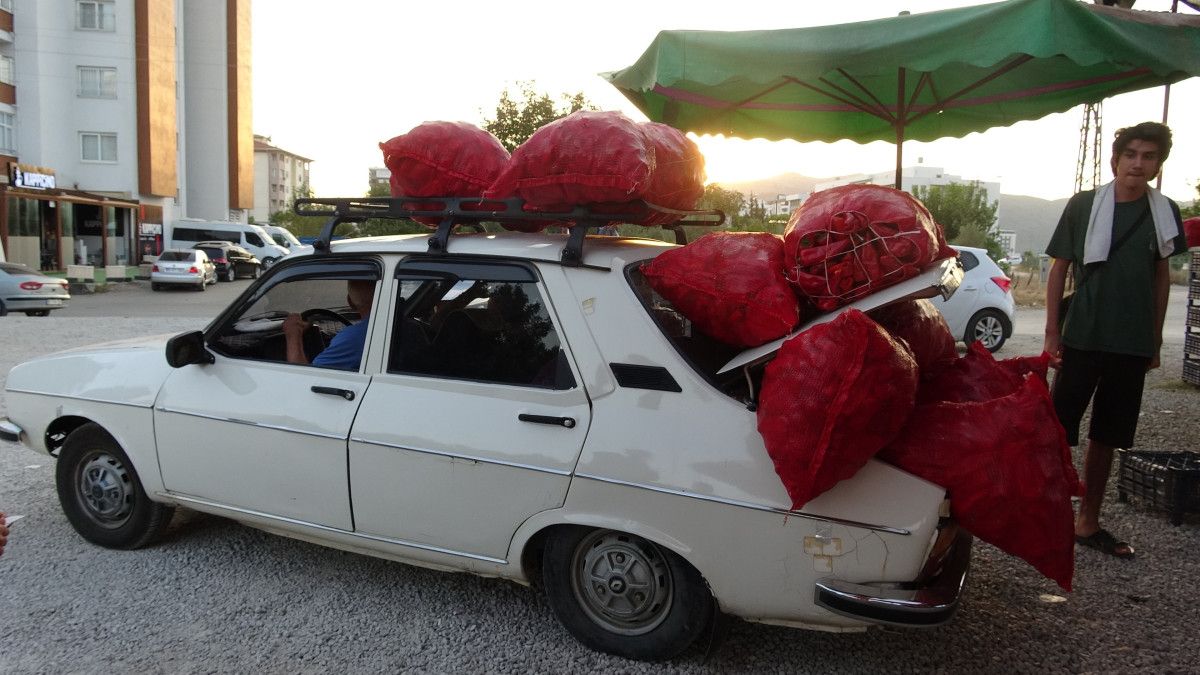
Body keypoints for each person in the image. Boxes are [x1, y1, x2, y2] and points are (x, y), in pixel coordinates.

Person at [1044, 121, 1187, 559]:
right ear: (1115, 159)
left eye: (1149, 157)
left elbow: (1161, 277)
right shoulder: (1084, 205)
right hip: (1082, 334)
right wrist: (1052, 332)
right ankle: (1042, 515)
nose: (1138, 163)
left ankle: (1087, 522)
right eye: (1132, 155)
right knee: (1052, 429)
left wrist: (1155, 339)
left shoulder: (1165, 210)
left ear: (1158, 165)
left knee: (1108, 434)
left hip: (1131, 340)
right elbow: (1058, 268)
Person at [283, 280, 375, 370]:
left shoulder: (355, 337)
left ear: (350, 302)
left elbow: (305, 378)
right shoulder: (376, 330)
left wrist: (293, 334)